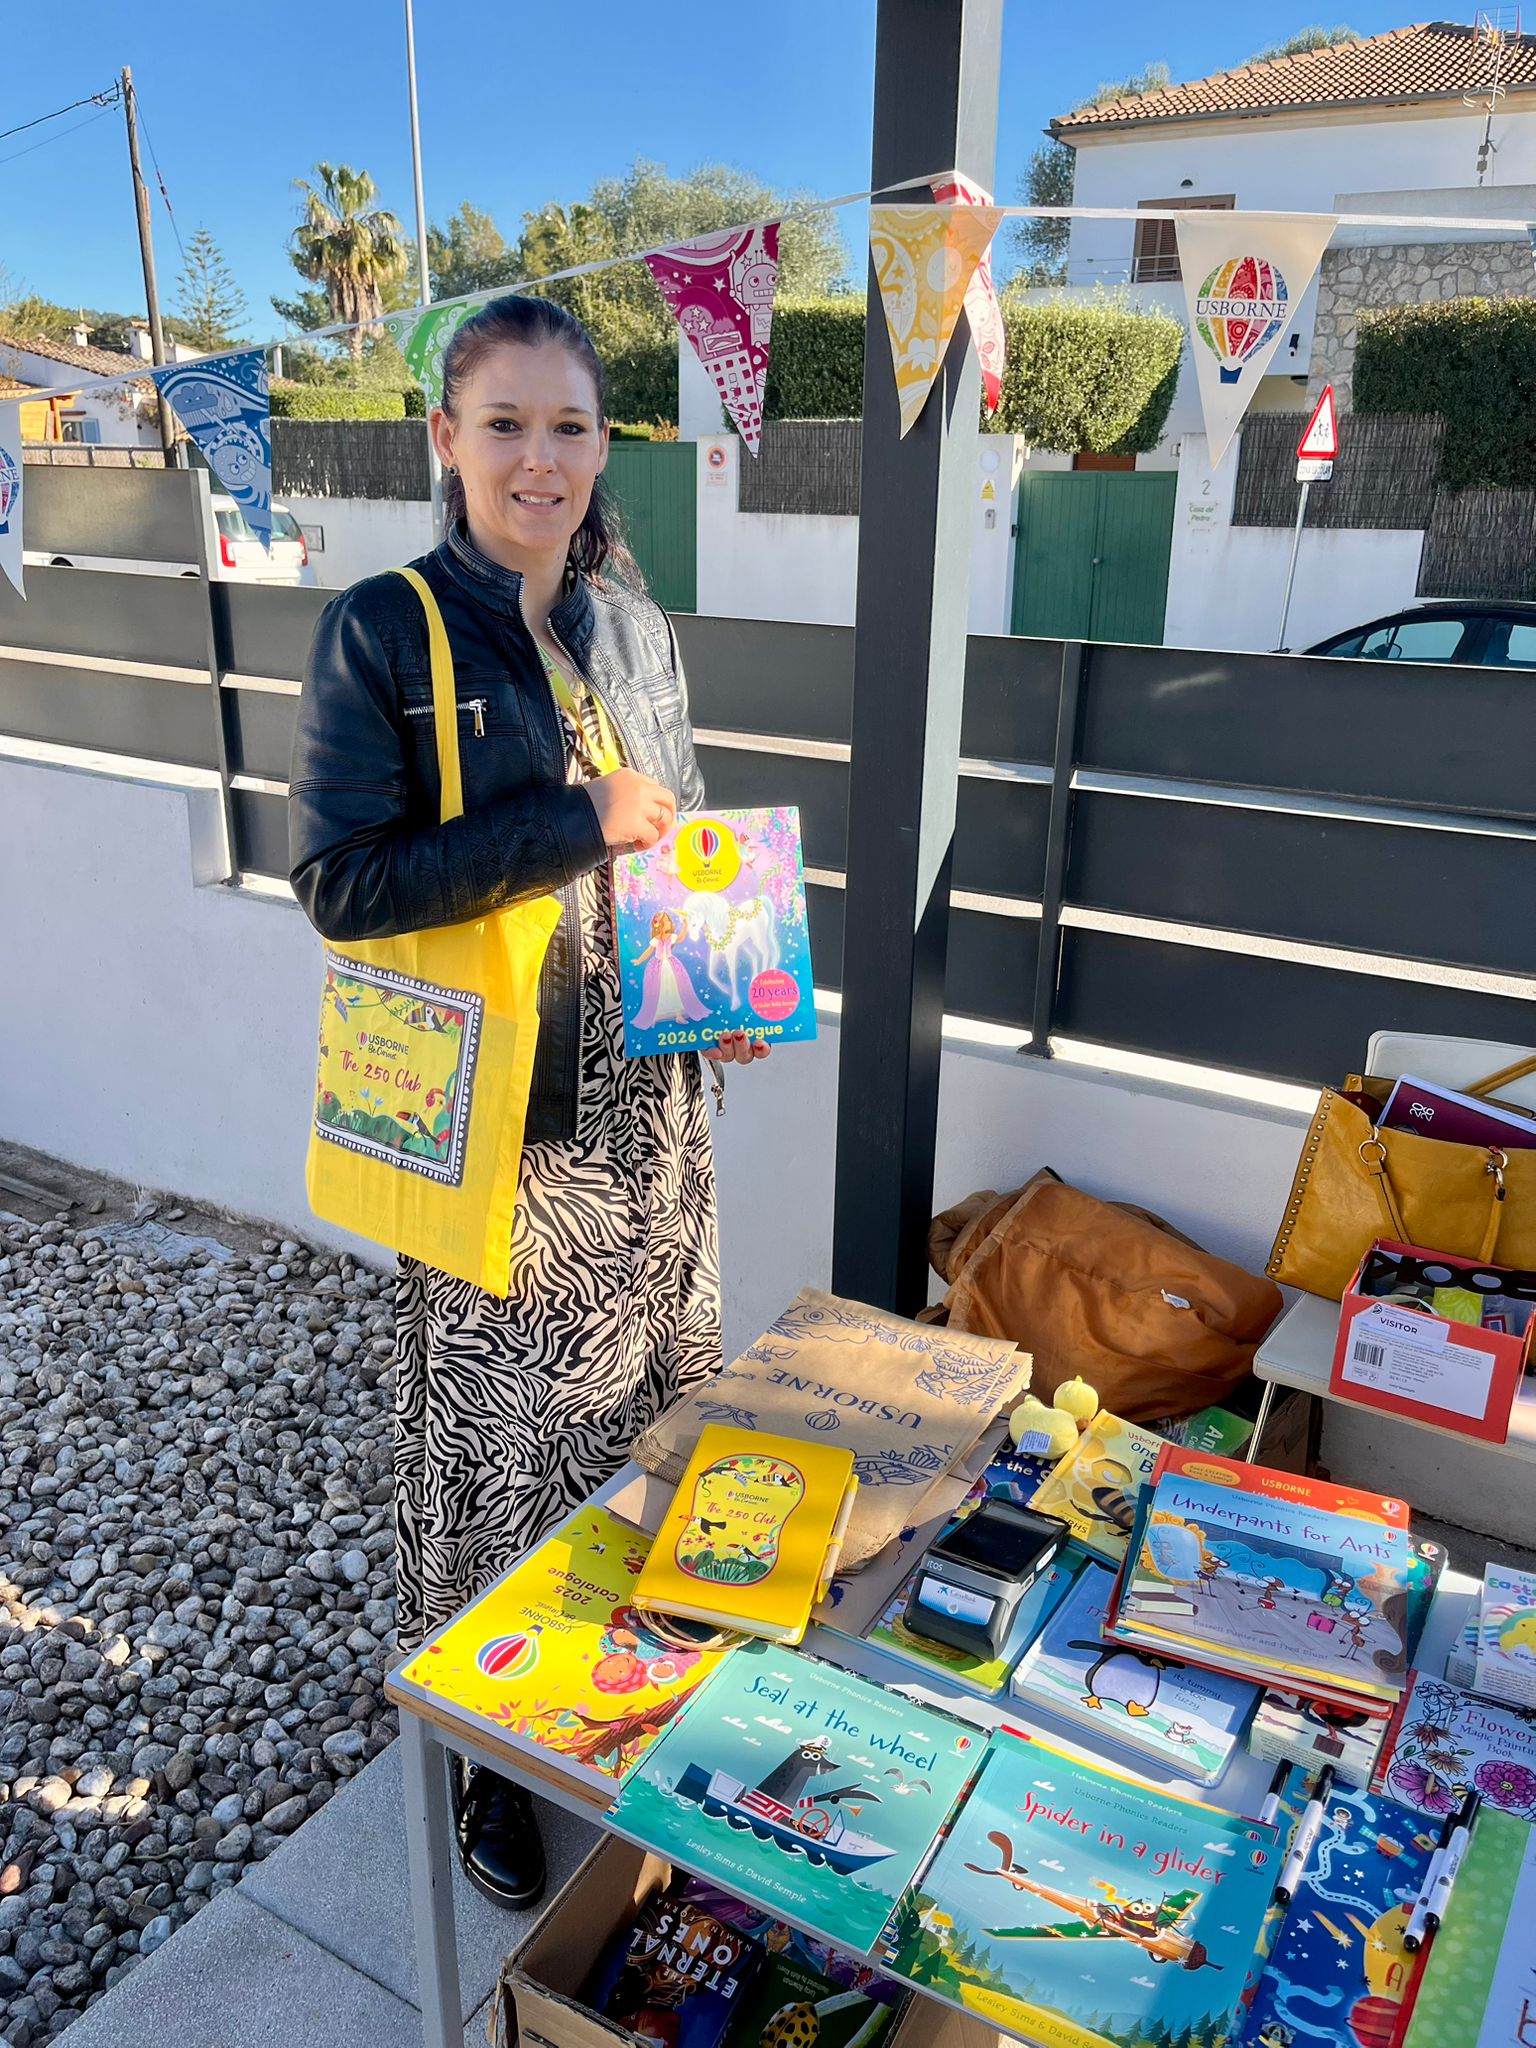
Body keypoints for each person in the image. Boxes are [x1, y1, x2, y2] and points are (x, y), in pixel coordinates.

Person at [288, 293, 767, 1911]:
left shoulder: (634, 626)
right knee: (503, 1452)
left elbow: (678, 824)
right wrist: (573, 821)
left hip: (655, 1101)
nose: (538, 459)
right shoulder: (383, 627)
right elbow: (342, 882)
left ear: (603, 443)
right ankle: (487, 1751)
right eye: (505, 424)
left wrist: (726, 980)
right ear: (447, 438)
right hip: (507, 1122)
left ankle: (623, 1678)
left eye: (568, 426)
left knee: (655, 1404)